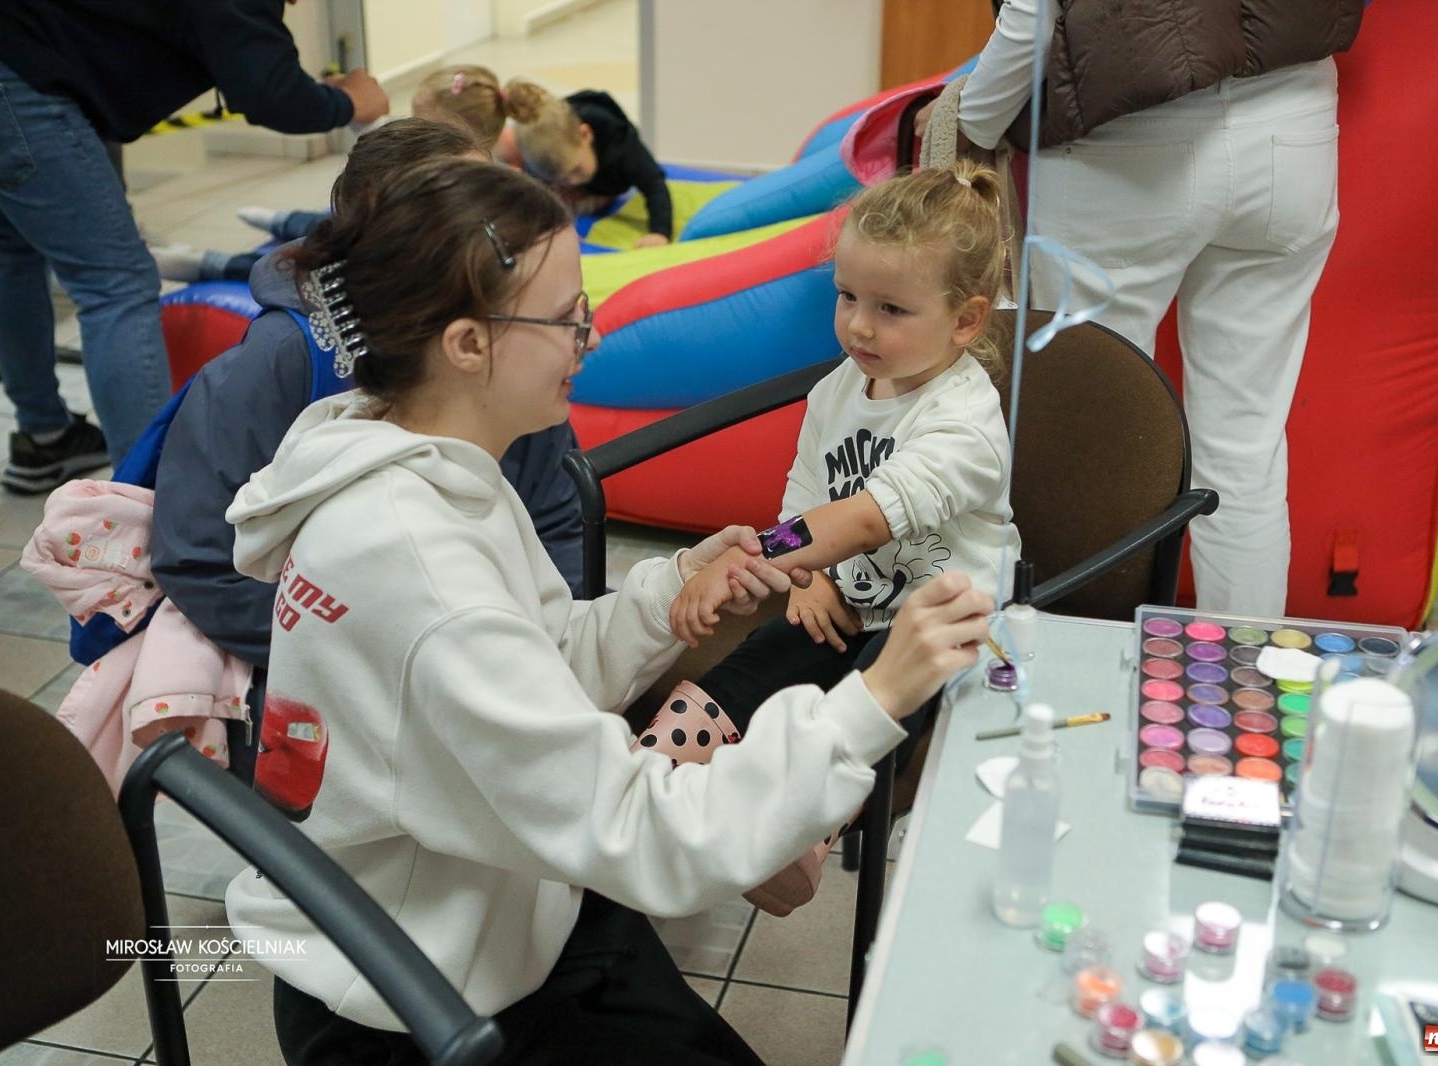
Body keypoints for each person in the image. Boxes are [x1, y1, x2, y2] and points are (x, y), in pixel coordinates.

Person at [221, 157, 992, 1064]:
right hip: (419, 993)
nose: (589, 339)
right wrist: (872, 702)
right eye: (564, 318)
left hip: (498, 906)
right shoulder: (420, 568)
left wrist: (671, 591)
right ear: (469, 344)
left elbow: (538, 657)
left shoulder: (420, 464)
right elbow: (642, 831)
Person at [151, 118, 589, 785]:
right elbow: (199, 560)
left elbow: (557, 518)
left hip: (487, 654)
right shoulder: (277, 370)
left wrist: (537, 640)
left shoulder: (514, 373)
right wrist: (368, 650)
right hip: (338, 677)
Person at [655, 161, 1021, 910]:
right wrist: (807, 575)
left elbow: (859, 518)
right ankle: (660, 769)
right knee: (766, 654)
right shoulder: (837, 390)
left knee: (887, 679)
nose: (858, 324)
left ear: (965, 321)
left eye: (890, 308)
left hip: (940, 616)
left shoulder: (966, 421)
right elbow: (809, 496)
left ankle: (795, 839)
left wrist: (749, 557)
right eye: (848, 296)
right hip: (846, 595)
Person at [934, 0, 1361, 615]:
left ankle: (1078, 688)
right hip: (1294, 130)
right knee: (1246, 446)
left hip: (1124, 143)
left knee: (1093, 443)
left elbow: (1032, 12)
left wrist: (970, 123)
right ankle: (1240, 684)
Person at [0, 0, 390, 492]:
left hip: (8, 57)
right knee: (117, 284)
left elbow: (252, 65)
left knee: (11, 253)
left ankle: (45, 436)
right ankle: (147, 498)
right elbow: (269, 92)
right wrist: (349, 103)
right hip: (16, 79)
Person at [414, 66, 674, 248]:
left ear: (585, 135)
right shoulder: (530, 145)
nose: (571, 181)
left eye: (575, 172)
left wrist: (660, 232)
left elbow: (654, 183)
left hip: (598, 189)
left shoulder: (622, 151)